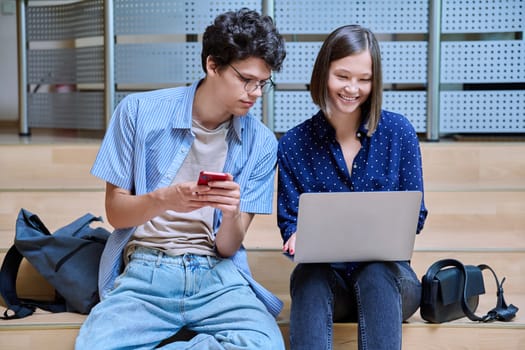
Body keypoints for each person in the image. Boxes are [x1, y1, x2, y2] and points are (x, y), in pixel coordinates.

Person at [76, 8, 286, 350]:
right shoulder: (138, 112)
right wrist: (166, 200)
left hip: (217, 273)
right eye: (246, 80)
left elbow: (228, 247)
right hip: (148, 267)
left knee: (267, 345)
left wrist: (233, 213)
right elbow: (115, 212)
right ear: (212, 65)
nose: (256, 93)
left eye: (263, 83)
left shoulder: (261, 142)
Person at [277, 24, 428, 350]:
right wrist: (296, 237)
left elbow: (415, 216)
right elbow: (289, 222)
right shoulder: (293, 144)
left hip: (392, 284)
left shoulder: (398, 132)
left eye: (364, 79)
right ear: (323, 73)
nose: (352, 88)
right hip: (331, 286)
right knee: (308, 277)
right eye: (342, 76)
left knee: (376, 273)